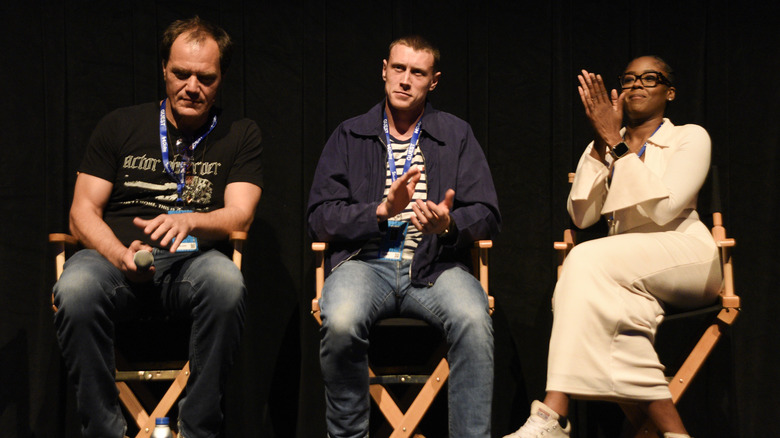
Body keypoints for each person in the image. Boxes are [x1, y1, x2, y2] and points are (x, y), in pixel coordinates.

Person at [52, 16, 263, 438]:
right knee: (74, 290)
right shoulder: (120, 125)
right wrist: (118, 254)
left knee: (227, 284)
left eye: (205, 77)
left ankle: (197, 429)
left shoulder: (241, 134)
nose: (192, 86)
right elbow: (81, 212)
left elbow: (241, 214)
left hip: (192, 264)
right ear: (164, 69)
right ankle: (104, 431)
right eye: (181, 74)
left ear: (221, 80)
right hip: (113, 259)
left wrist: (191, 221)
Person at [504, 56, 722, 438]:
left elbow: (665, 208)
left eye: (650, 78)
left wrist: (617, 144)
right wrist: (600, 143)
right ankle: (672, 433)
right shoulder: (604, 144)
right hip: (623, 273)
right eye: (630, 78)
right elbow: (582, 214)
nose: (637, 85)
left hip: (686, 256)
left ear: (670, 92)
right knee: (604, 313)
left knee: (582, 260)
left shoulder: (689, 136)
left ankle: (552, 414)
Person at [307, 35, 501, 438]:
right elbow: (319, 217)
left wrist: (447, 226)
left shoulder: (456, 134)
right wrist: (379, 212)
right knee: (340, 321)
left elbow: (486, 213)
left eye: (418, 73)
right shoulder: (350, 134)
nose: (405, 80)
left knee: (473, 319)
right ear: (384, 70)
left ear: (434, 81)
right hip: (364, 265)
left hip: (434, 266)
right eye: (398, 69)